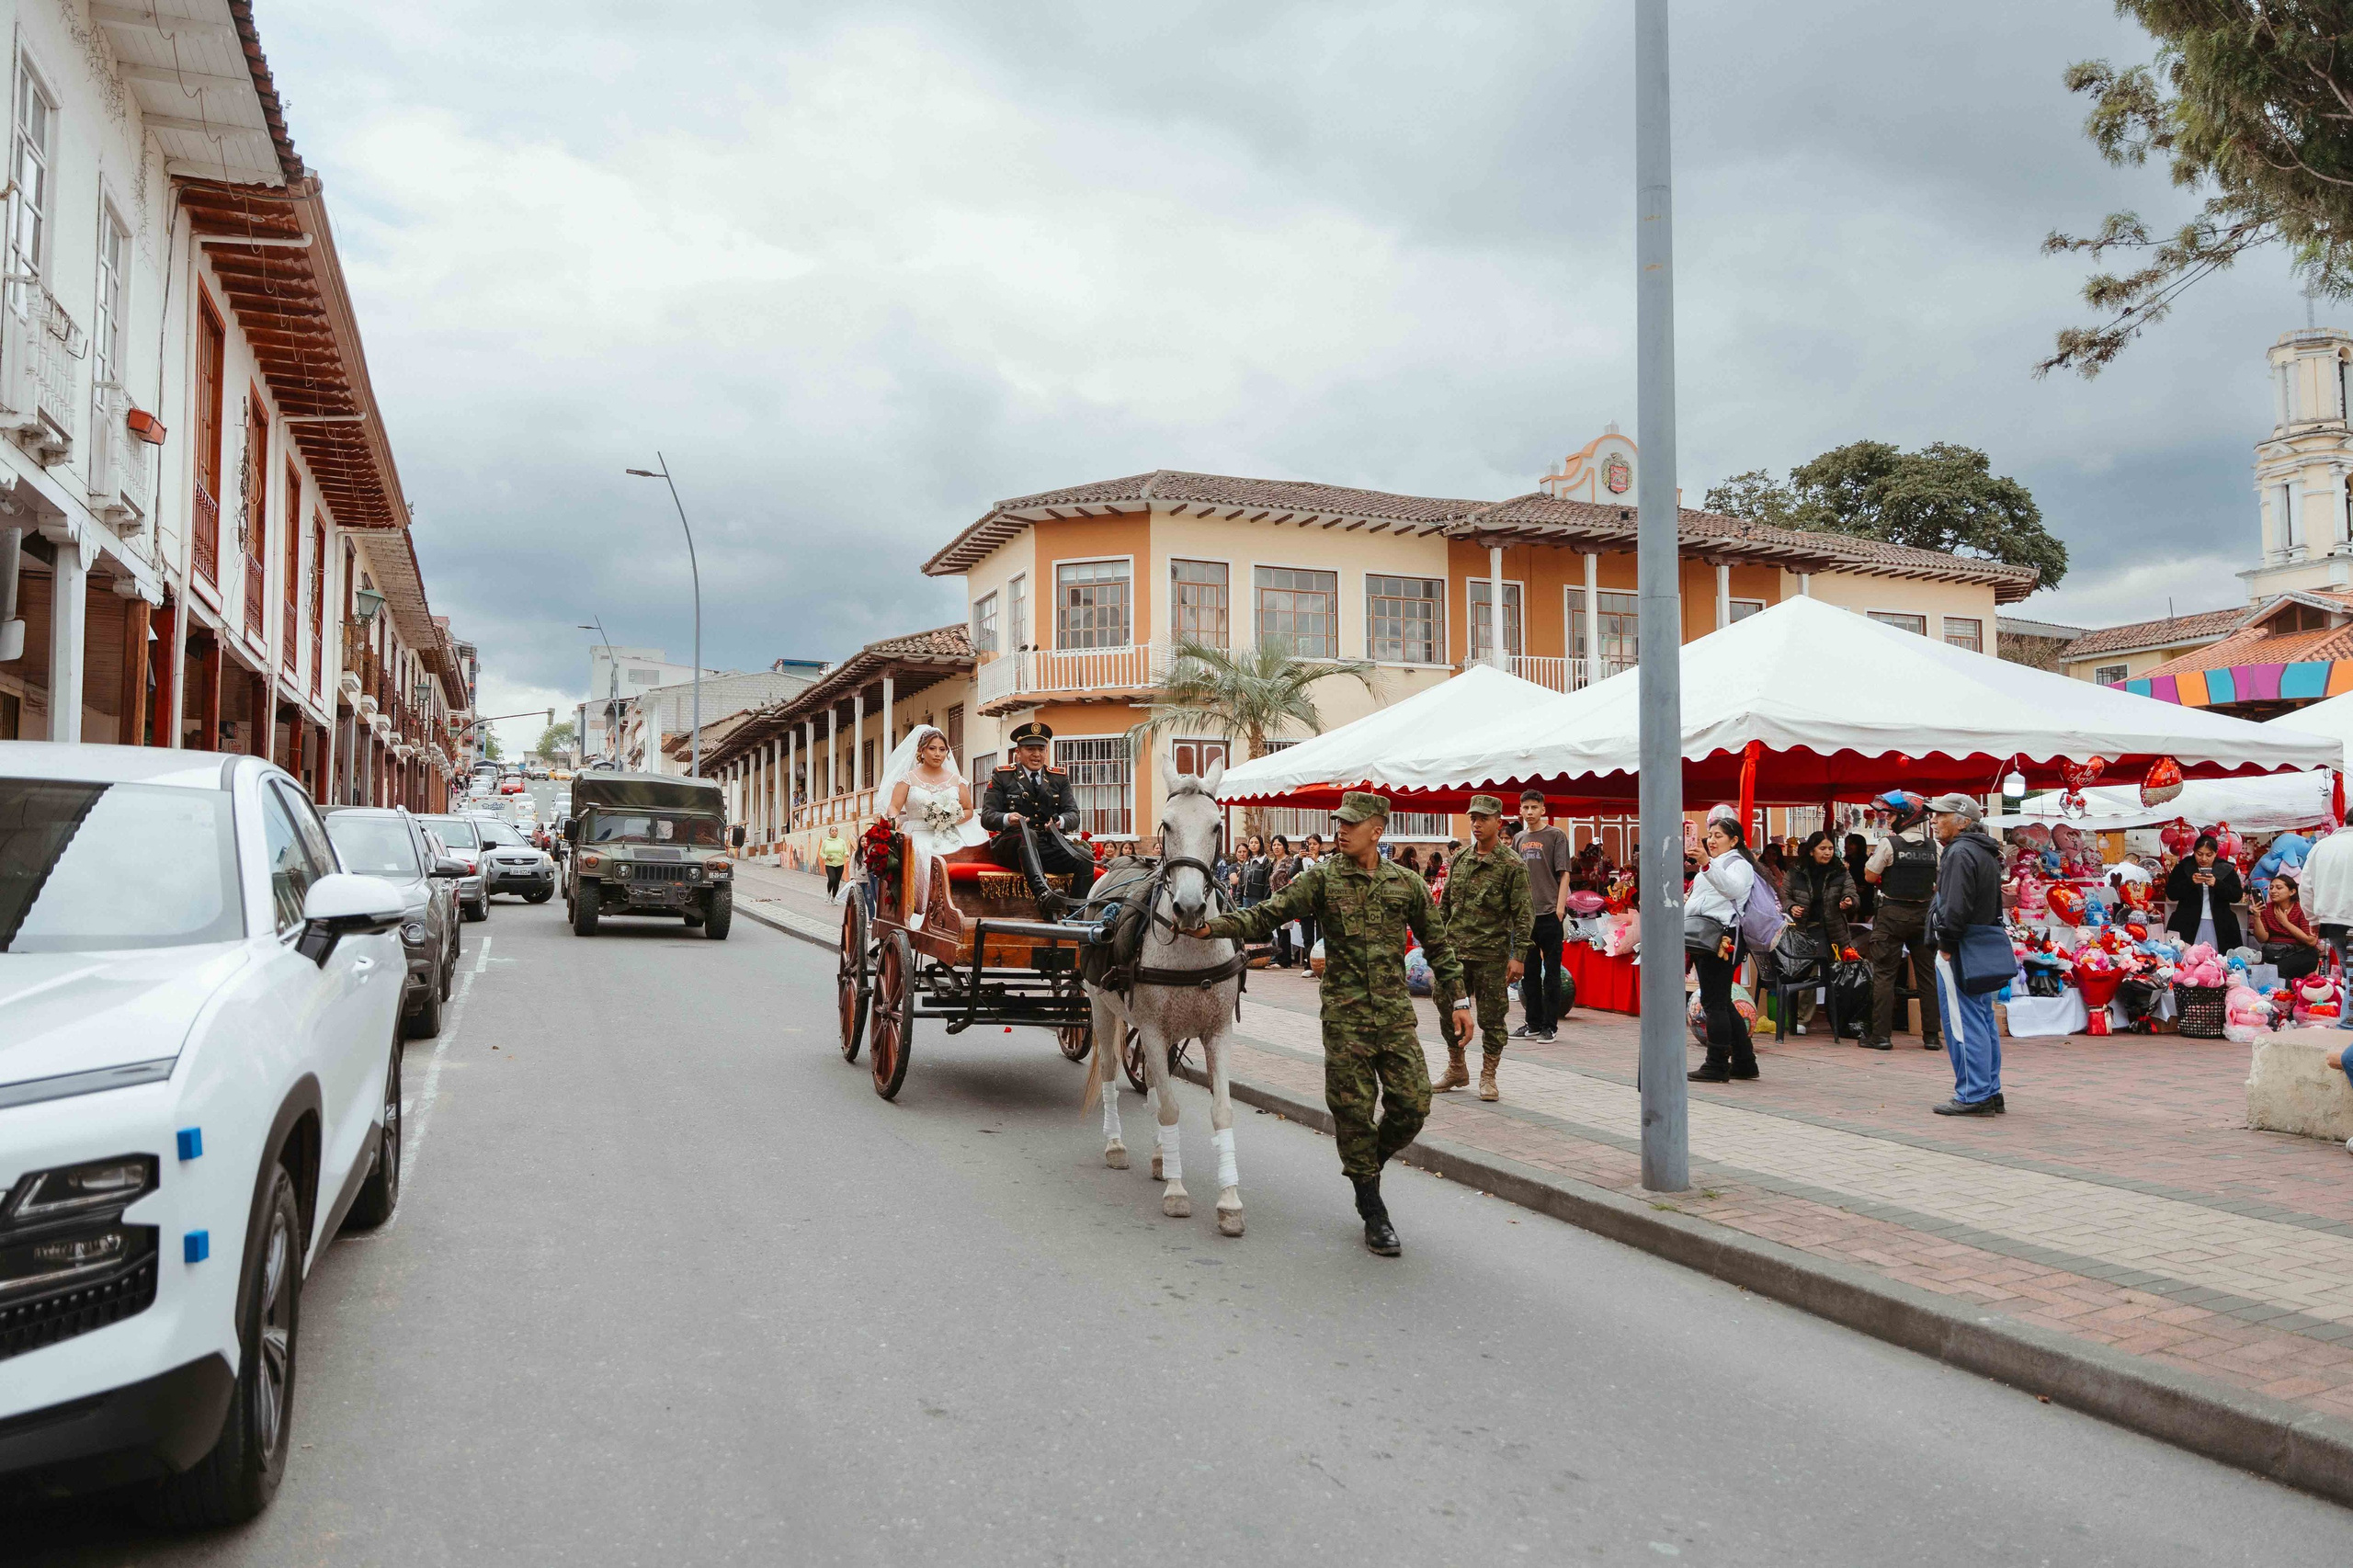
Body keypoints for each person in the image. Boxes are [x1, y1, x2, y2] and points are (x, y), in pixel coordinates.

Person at [1188, 791, 1472, 1257]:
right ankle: (1372, 1208)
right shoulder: (1321, 880)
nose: (1340, 830)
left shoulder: (1407, 884)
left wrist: (1458, 999)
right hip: (1345, 1020)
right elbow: (1266, 914)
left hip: (1395, 1017)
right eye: (1338, 822)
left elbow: (1438, 947)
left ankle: (1369, 1163)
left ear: (1377, 832)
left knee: (1413, 1104)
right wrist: (1211, 929)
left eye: (1351, 824)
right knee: (1353, 1114)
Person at [1431, 795, 1532, 1101]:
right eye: (1473, 818)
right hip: (1455, 954)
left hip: (1491, 956)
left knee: (1492, 1018)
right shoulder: (1460, 858)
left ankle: (1488, 1075)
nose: (1476, 824)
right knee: (1447, 1009)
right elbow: (1445, 903)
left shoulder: (1511, 864)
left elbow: (1523, 914)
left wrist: (1519, 957)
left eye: (1483, 819)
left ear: (1498, 822)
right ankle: (1456, 1067)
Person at [1926, 793, 2005, 1117]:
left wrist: (1945, 944)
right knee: (1982, 1019)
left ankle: (1974, 1093)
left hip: (1961, 946)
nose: (1933, 820)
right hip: (1981, 941)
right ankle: (1990, 1089)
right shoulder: (1984, 851)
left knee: (1963, 1022)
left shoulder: (1959, 852)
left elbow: (1955, 906)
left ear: (1962, 821)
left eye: (1940, 815)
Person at [880, 723, 984, 928]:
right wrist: (894, 820)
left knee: (961, 856)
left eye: (942, 749)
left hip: (950, 833)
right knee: (925, 854)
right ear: (921, 751)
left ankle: (962, 912)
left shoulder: (957, 780)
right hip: (918, 834)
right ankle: (927, 911)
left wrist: (950, 818)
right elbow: (894, 806)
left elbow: (969, 810)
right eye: (932, 748)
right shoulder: (908, 779)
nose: (938, 754)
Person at [980, 721, 1096, 903]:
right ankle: (1043, 896)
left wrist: (1061, 822)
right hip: (1012, 845)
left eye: (1041, 749)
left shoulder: (1058, 778)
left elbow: (1073, 814)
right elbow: (987, 817)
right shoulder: (1003, 776)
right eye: (1030, 749)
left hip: (1047, 844)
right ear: (1018, 752)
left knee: (1085, 857)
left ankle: (1076, 912)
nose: (1036, 755)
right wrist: (1009, 818)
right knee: (1028, 835)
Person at [1862, 790, 1942, 1053]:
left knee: (1884, 975)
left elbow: (1871, 877)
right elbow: (1940, 880)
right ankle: (1931, 1036)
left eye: (1893, 814)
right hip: (1924, 915)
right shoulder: (1935, 847)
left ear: (1906, 817)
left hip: (1892, 915)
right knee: (1927, 976)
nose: (1889, 818)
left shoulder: (1889, 844)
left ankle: (1881, 1037)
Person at [1686, 808, 1760, 1083]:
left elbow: (1733, 890)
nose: (1712, 840)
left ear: (1735, 840)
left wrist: (1706, 864)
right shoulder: (1717, 863)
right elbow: (1699, 903)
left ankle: (1716, 1064)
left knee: (1713, 1003)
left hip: (1722, 939)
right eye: (1710, 835)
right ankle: (1744, 1061)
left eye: (1719, 836)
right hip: (1708, 937)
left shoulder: (1737, 864)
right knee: (1722, 1001)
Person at [1513, 791, 1574, 1043]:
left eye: (1534, 807)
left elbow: (1565, 874)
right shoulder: (1517, 838)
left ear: (1543, 810)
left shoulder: (1556, 836)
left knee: (1551, 974)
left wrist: (1560, 909)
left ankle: (1550, 1026)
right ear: (1520, 810)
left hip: (1550, 914)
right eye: (1525, 807)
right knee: (1529, 974)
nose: (1529, 812)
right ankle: (1533, 1023)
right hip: (1525, 917)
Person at [1779, 830, 1855, 1034]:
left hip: (1834, 931)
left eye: (1830, 848)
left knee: (1840, 975)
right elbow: (1784, 896)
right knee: (1807, 975)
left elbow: (1852, 893)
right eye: (1822, 848)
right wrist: (1791, 906)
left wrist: (1848, 901)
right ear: (1811, 851)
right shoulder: (1795, 872)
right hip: (1805, 931)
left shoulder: (1840, 871)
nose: (1827, 852)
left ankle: (1840, 1019)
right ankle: (1802, 1020)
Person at [2164, 834, 2245, 952]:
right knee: (2187, 957)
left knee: (2217, 959)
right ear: (2194, 852)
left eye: (2209, 855)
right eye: (2199, 854)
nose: (2204, 859)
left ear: (2216, 853)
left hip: (2220, 923)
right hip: (2187, 921)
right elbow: (2171, 893)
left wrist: (2216, 884)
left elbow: (2236, 895)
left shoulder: (2225, 869)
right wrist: (2190, 882)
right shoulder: (2183, 867)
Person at [2301, 819, 2353, 978]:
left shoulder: (2321, 847)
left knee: (2349, 974)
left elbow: (2306, 887)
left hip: (2334, 920)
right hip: (2338, 917)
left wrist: (2313, 919)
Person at [2252, 872, 2324, 982]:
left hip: (2301, 953)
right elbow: (2262, 938)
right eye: (2271, 888)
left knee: (2276, 972)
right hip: (2275, 953)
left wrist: (2285, 923)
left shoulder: (2302, 909)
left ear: (2292, 891)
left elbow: (2311, 941)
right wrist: (2257, 916)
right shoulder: (2266, 909)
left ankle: (2289, 996)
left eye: (2279, 888)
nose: (2273, 891)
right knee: (2256, 973)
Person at [1844, 832, 1879, 925]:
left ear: (1859, 846)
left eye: (1851, 844)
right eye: (1846, 843)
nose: (1846, 846)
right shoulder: (1848, 862)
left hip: (1863, 903)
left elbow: (1865, 888)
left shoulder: (1865, 863)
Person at [819, 824, 851, 899]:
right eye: (832, 831)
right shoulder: (825, 842)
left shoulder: (841, 841)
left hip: (840, 864)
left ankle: (833, 898)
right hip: (829, 864)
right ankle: (828, 892)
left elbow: (845, 851)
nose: (834, 832)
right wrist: (826, 857)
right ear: (829, 832)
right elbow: (821, 853)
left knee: (837, 882)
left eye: (836, 831)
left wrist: (846, 854)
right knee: (832, 879)